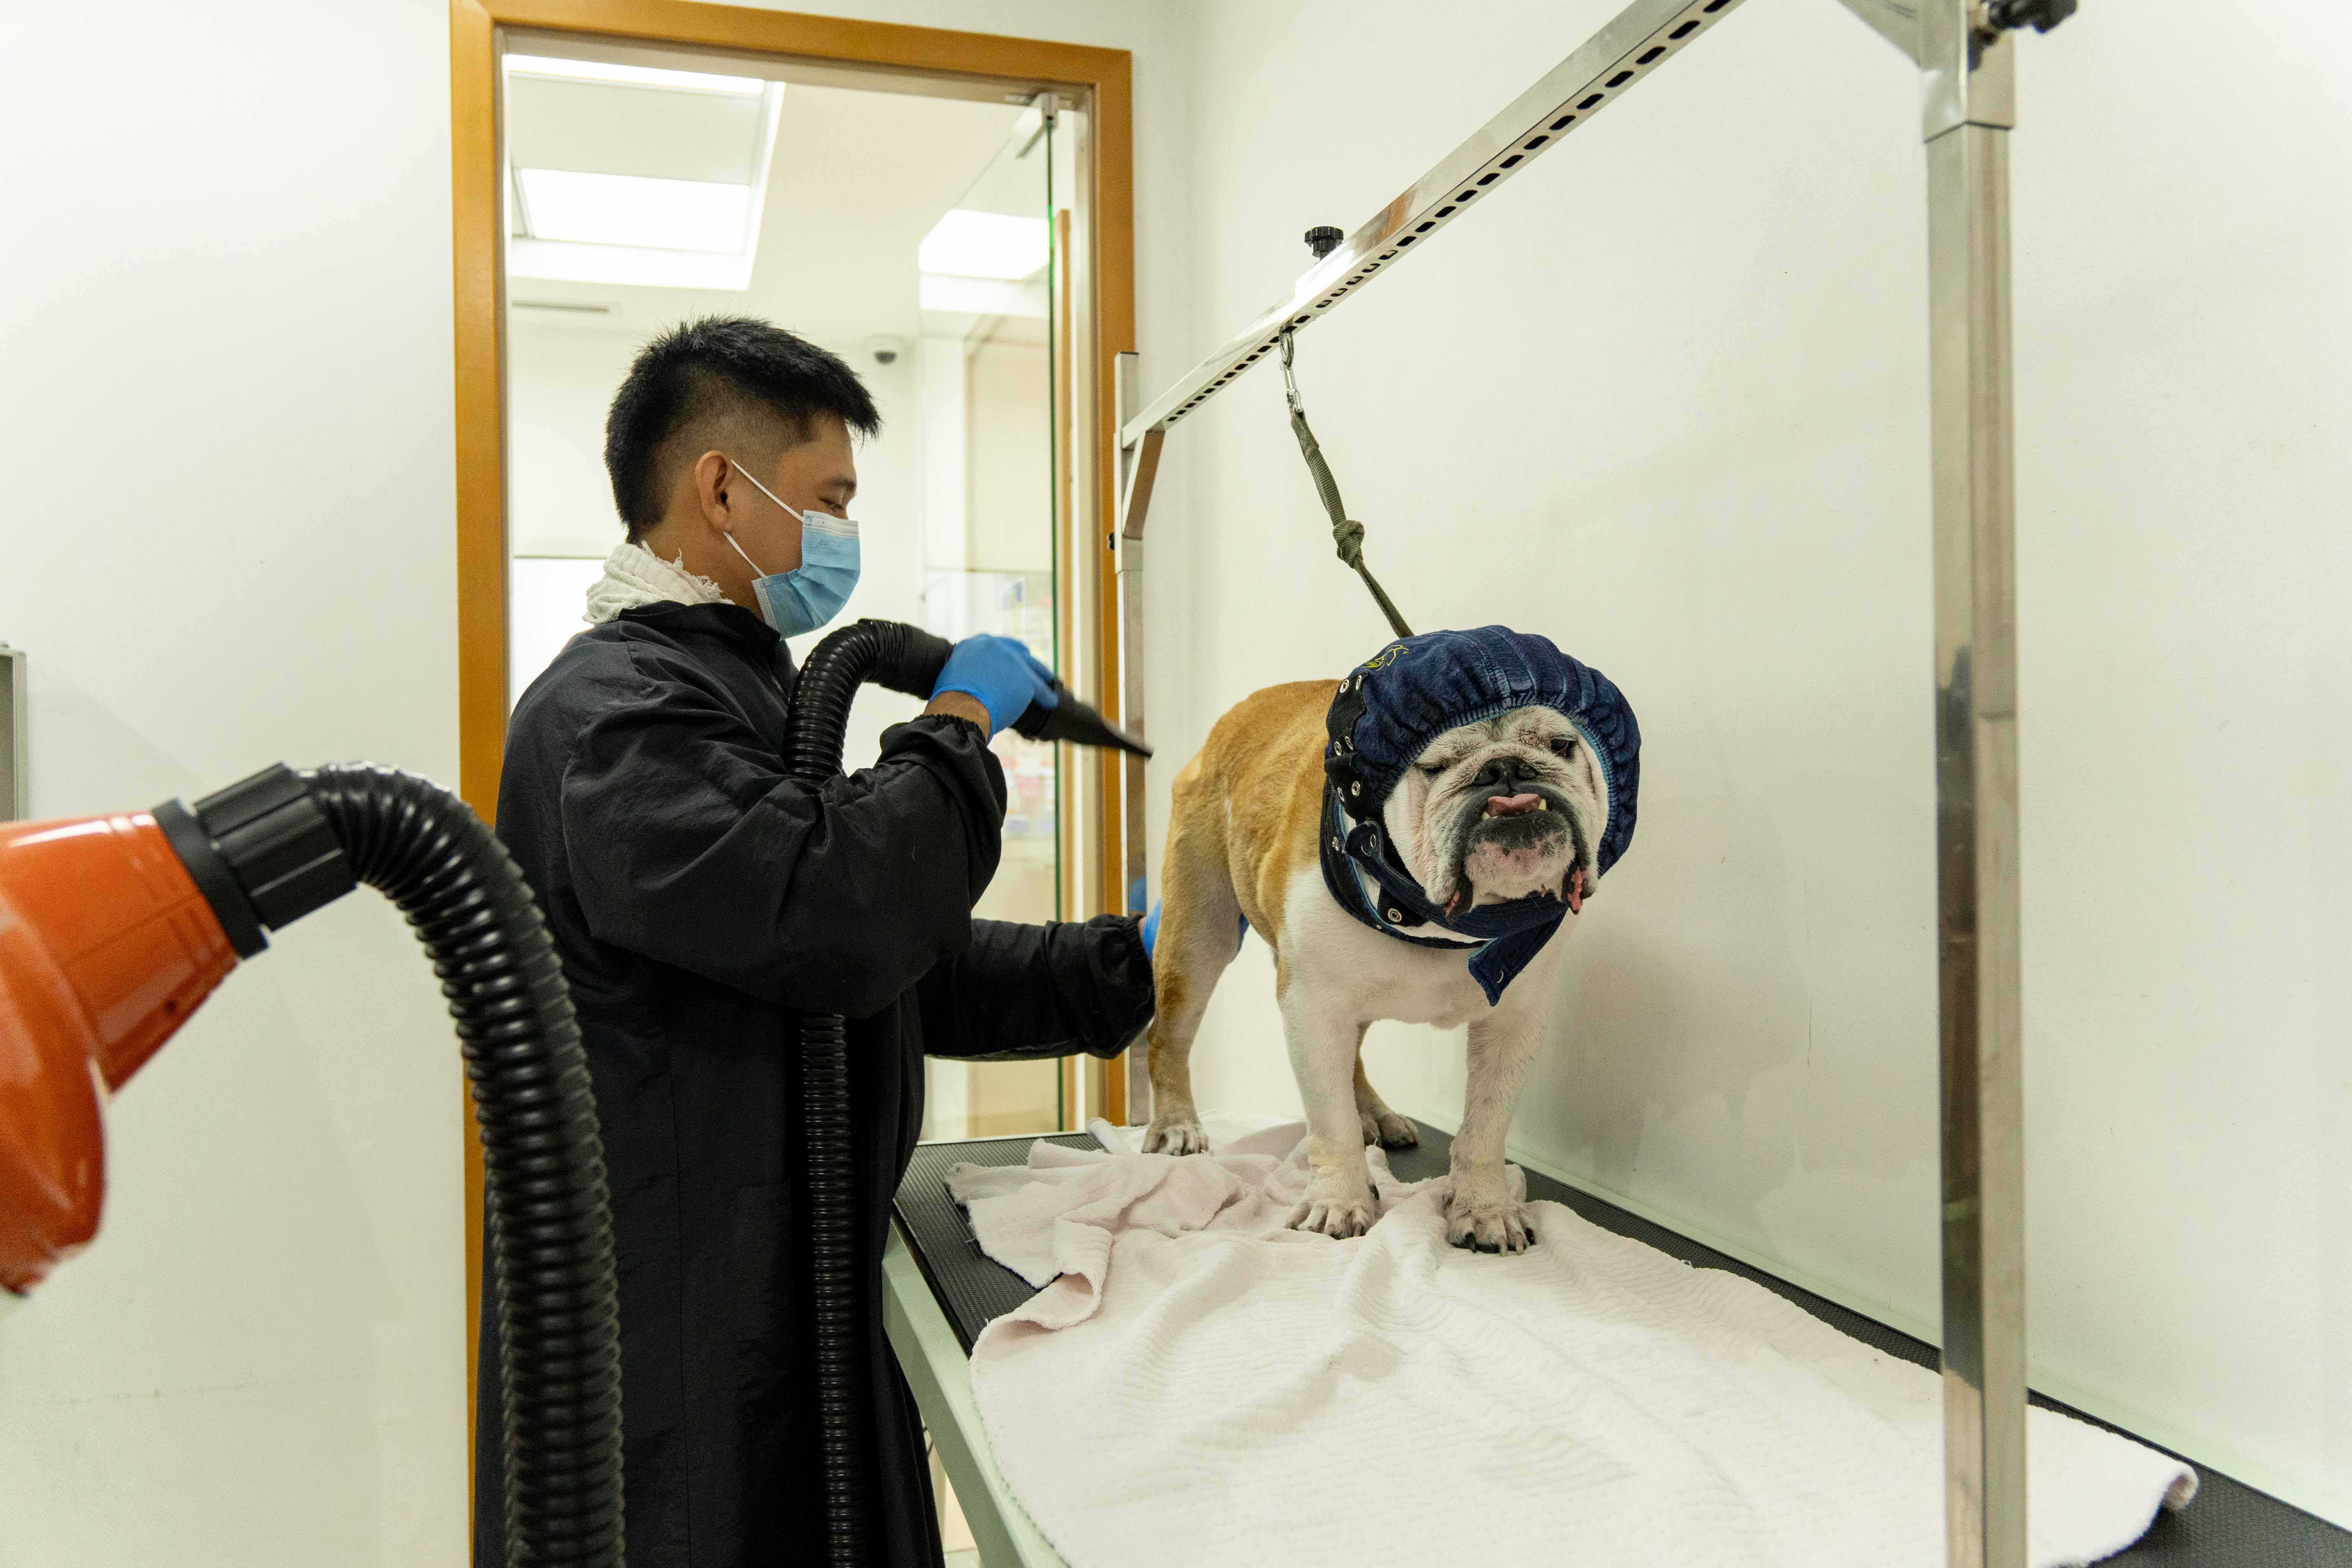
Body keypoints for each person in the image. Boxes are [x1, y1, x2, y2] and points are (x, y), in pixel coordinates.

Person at [478, 316, 1155, 1566]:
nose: (845, 533)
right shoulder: (617, 717)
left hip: (783, 1292)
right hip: (687, 1337)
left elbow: (879, 973)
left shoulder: (731, 690)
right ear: (721, 489)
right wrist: (959, 720)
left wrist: (1132, 967)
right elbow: (844, 912)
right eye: (831, 500)